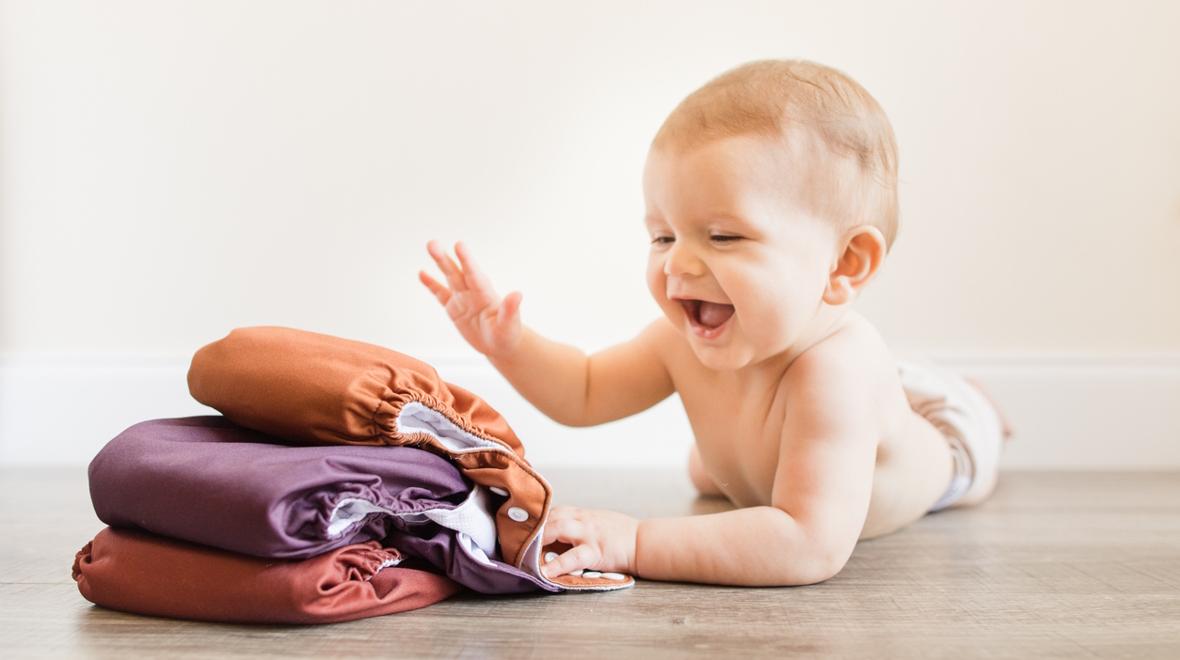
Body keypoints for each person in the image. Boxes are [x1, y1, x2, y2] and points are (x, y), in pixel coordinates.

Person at [419, 59, 1012, 586]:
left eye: (724, 236)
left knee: (952, 436)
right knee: (712, 471)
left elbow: (808, 544)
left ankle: (976, 404)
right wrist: (510, 344)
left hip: (945, 443)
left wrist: (636, 541)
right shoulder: (682, 339)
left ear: (844, 263)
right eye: (663, 235)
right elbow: (585, 391)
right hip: (819, 431)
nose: (678, 261)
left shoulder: (838, 371)